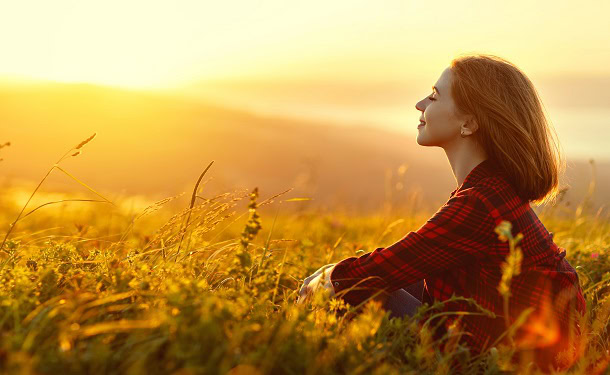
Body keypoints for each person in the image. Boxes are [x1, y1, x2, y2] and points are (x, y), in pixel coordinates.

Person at [298, 53, 587, 373]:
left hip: (506, 363)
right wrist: (336, 273)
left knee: (356, 289)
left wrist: (327, 279)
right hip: (511, 347)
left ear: (469, 123)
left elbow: (385, 267)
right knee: (366, 276)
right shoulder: (491, 188)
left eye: (434, 96)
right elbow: (409, 263)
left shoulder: (480, 201)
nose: (420, 104)